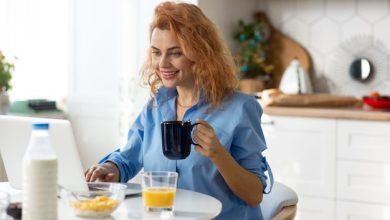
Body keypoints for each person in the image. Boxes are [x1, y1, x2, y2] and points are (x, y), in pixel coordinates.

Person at [84, 1, 273, 219]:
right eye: (156, 52)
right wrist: (109, 169)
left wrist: (218, 154)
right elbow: (128, 158)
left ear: (201, 54)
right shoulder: (156, 107)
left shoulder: (239, 108)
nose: (162, 63)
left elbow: (254, 195)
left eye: (175, 53)